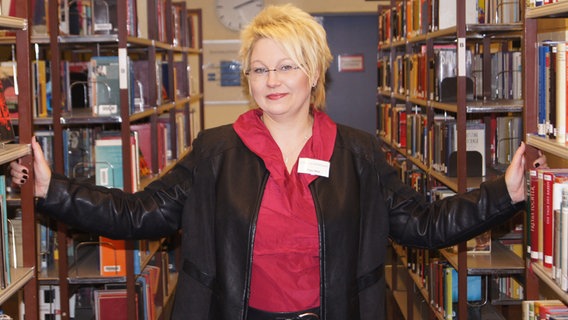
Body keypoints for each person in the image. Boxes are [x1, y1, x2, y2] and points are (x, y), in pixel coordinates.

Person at [10, 4, 545, 320]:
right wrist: (52, 190)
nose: (272, 81)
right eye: (260, 69)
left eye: (286, 66)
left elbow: (424, 225)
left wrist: (507, 194)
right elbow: (138, 214)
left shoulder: (358, 151)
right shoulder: (216, 150)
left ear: (314, 72)